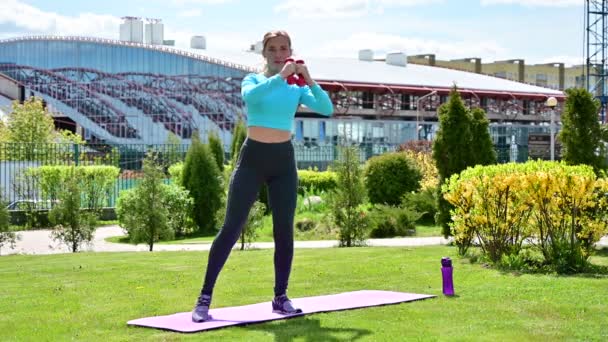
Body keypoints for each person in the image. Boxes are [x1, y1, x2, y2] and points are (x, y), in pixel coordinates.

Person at [192, 30, 334, 323]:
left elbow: (326, 108)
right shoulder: (254, 80)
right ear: (264, 53)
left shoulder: (296, 88)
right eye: (273, 49)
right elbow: (251, 97)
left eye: (284, 48)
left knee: (284, 231)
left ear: (291, 50)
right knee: (231, 228)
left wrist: (308, 79)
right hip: (253, 159)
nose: (279, 53)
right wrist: (280, 76)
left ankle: (280, 298)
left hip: (283, 161)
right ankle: (204, 298)